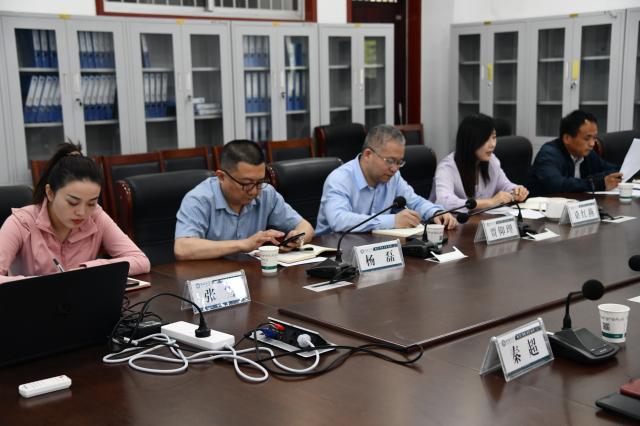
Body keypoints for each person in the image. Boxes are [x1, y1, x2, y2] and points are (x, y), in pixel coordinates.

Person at [0, 143, 150, 284]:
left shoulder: (96, 216)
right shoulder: (21, 223)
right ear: (50, 193)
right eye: (72, 202)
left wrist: (87, 270)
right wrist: (44, 284)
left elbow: (141, 261)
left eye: (91, 203)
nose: (82, 212)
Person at [174, 139, 314, 260]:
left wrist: (297, 238)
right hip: (212, 277)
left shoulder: (266, 193)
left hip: (252, 274)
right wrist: (244, 244)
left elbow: (306, 227)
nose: (254, 191)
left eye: (259, 182)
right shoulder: (199, 199)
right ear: (221, 177)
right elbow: (182, 249)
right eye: (246, 183)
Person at [315, 124, 457, 235]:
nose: (395, 169)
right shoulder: (339, 179)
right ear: (368, 154)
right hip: (333, 251)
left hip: (374, 247)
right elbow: (339, 220)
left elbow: (415, 201)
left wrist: (435, 212)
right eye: (390, 161)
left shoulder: (393, 176)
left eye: (399, 162)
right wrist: (392, 221)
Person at [434, 113, 529, 211]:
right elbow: (444, 202)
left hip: (482, 219)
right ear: (470, 141)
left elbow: (505, 185)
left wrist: (516, 190)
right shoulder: (447, 167)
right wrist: (491, 202)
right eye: (486, 139)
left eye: (494, 137)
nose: (492, 144)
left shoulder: (492, 161)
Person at [529, 110, 622, 195]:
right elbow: (557, 185)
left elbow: (614, 170)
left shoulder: (587, 153)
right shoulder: (548, 154)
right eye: (587, 138)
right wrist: (596, 183)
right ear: (567, 138)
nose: (592, 144)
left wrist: (597, 180)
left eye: (594, 138)